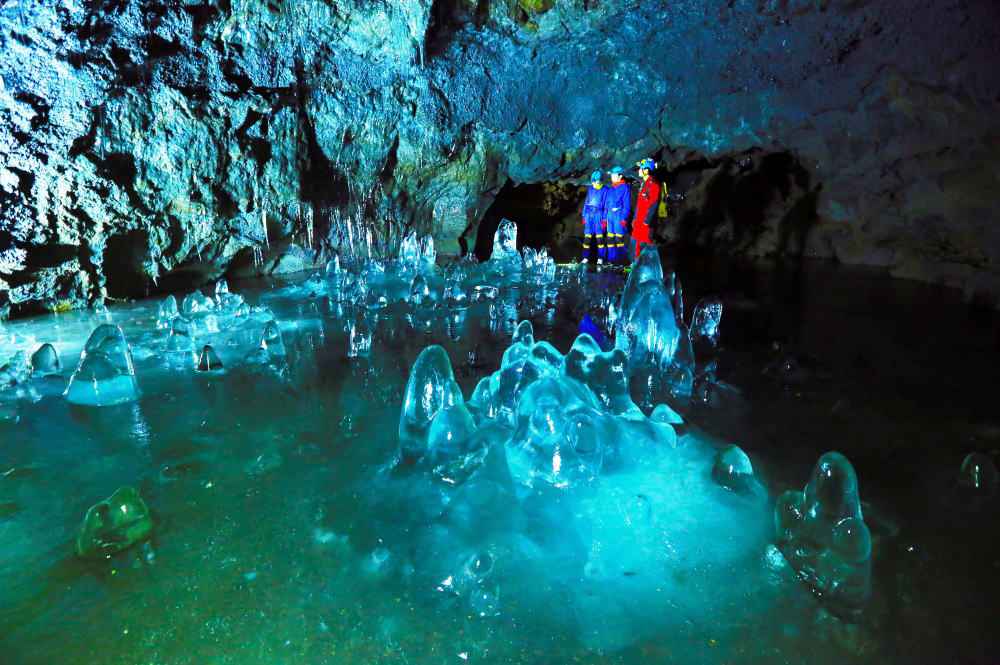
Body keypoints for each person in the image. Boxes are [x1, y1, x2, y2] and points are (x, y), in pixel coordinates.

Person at [631, 157, 661, 259]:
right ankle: (636, 266)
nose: (639, 170)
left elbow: (653, 205)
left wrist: (646, 221)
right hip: (639, 221)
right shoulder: (643, 184)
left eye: (641, 168)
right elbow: (639, 205)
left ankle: (647, 270)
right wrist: (635, 219)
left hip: (645, 224)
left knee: (645, 246)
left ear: (647, 170)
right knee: (637, 246)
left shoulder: (653, 185)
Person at [604, 166, 631, 263]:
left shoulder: (625, 188)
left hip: (618, 215)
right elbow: (606, 204)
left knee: (619, 239)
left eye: (614, 175)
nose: (612, 176)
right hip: (610, 215)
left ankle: (621, 260)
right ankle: (611, 259)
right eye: (611, 175)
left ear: (620, 176)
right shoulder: (610, 189)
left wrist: (623, 218)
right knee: (610, 238)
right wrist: (604, 218)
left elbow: (627, 205)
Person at [580, 170, 608, 263]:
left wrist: (604, 219)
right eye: (593, 181)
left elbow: (606, 206)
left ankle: (600, 258)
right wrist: (584, 215)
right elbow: (586, 202)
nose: (594, 183)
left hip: (598, 216)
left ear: (599, 180)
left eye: (595, 181)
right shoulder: (591, 189)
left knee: (599, 238)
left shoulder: (605, 190)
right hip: (589, 215)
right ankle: (585, 257)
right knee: (587, 237)